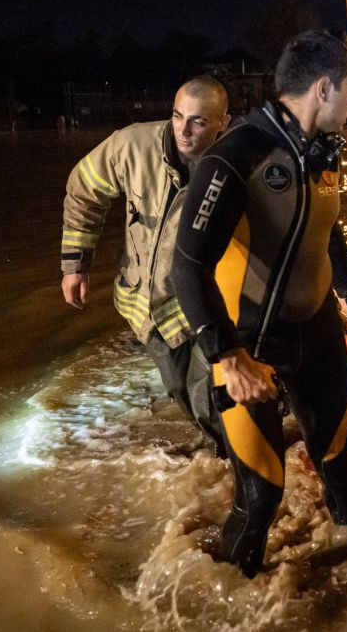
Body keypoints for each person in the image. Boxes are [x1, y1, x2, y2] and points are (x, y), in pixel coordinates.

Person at [170, 31, 347, 577]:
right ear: (324, 87)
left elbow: (326, 228)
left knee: (339, 461)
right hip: (250, 343)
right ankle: (225, 600)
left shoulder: (325, 150)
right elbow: (186, 268)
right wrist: (226, 355)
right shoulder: (235, 155)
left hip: (320, 333)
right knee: (262, 493)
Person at [60, 75, 229, 451]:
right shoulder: (131, 146)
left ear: (224, 124)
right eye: (177, 116)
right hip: (150, 308)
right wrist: (75, 264)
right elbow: (82, 189)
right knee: (178, 389)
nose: (184, 130)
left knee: (207, 399)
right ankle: (224, 457)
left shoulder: (237, 167)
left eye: (198, 121)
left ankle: (235, 470)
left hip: (207, 305)